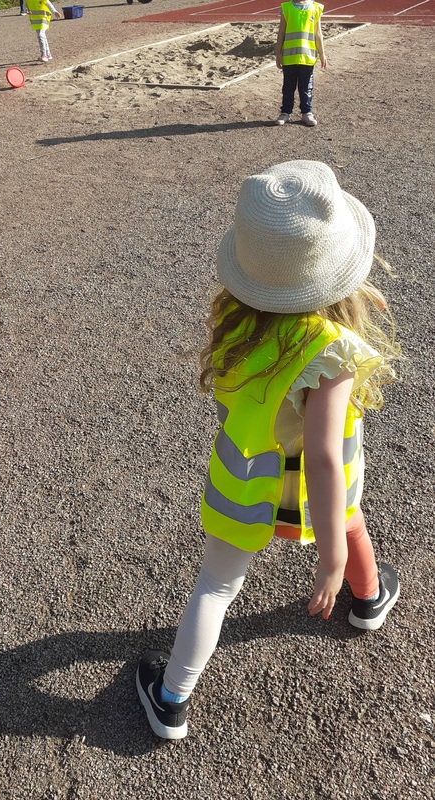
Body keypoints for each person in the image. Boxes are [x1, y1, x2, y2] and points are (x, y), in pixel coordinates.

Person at [136, 160, 401, 740]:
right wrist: (329, 559)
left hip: (249, 487)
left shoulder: (235, 318)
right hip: (316, 490)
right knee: (350, 518)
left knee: (216, 587)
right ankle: (367, 597)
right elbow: (324, 458)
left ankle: (171, 697)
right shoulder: (333, 354)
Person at [275, 1, 327, 126]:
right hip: (290, 56)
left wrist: (322, 54)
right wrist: (278, 53)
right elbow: (281, 32)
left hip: (307, 56)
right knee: (288, 86)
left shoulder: (315, 8)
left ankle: (306, 112)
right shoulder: (287, 8)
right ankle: (285, 112)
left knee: (306, 86)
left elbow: (318, 33)